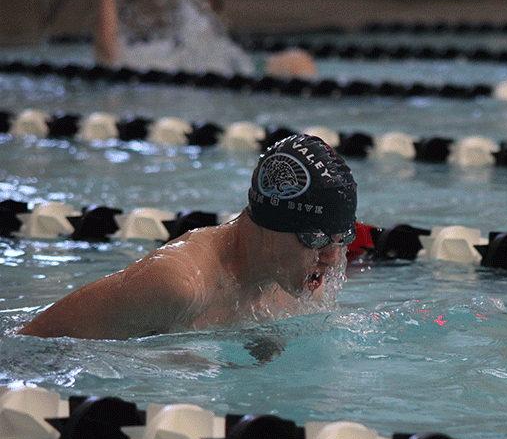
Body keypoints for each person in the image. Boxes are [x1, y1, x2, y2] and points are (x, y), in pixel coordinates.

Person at [18, 134, 357, 340]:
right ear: (271, 223)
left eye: (342, 238)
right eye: (314, 238)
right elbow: (33, 341)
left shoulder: (297, 287)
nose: (329, 257)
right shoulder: (177, 283)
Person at [95, 0, 317, 78]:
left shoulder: (229, 55)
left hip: (237, 76)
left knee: (301, 60)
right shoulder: (166, 57)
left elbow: (298, 62)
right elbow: (109, 53)